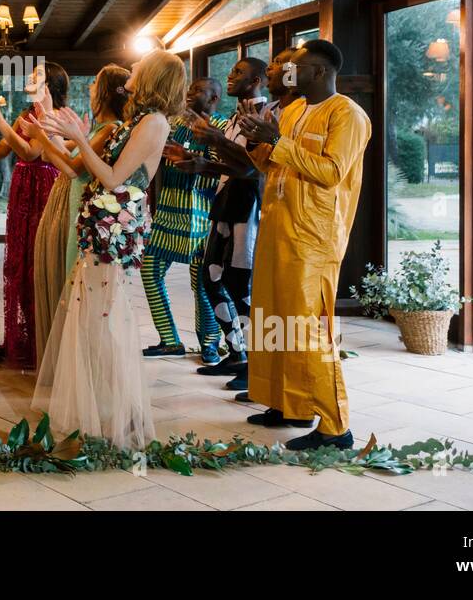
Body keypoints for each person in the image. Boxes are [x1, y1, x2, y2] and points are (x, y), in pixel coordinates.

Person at [32, 49, 186, 448]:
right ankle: (101, 409)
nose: (130, 69)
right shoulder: (136, 121)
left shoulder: (154, 123)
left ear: (151, 76)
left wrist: (80, 137)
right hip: (100, 224)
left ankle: (121, 413)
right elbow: (74, 169)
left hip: (115, 230)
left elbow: (117, 180)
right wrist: (59, 126)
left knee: (105, 317)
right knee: (92, 317)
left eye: (138, 66)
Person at [236, 40, 371, 450]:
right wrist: (257, 141)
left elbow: (331, 172)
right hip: (277, 226)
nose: (287, 74)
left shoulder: (347, 114)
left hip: (314, 237)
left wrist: (276, 142)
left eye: (294, 67)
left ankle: (335, 426)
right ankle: (288, 404)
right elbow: (272, 164)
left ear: (318, 71)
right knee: (273, 318)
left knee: (309, 327)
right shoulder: (292, 110)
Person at [0, 62, 67, 368]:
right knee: (20, 266)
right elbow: (0, 151)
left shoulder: (55, 117)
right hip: (22, 195)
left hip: (44, 190)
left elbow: (31, 152)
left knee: (37, 265)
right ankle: (26, 339)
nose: (31, 77)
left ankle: (43, 342)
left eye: (38, 75)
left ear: (52, 84)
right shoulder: (25, 116)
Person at [27, 65, 129, 368]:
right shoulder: (99, 129)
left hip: (82, 208)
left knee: (75, 287)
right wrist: (47, 123)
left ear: (107, 92)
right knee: (65, 282)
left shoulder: (111, 129)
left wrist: (43, 128)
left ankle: (79, 366)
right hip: (75, 201)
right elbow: (57, 154)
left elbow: (71, 167)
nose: (90, 87)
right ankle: (65, 364)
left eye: (95, 82)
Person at [179, 58, 268, 387]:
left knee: (237, 284)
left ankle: (252, 365)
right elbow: (234, 167)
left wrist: (215, 141)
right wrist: (201, 164)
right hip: (225, 203)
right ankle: (236, 351)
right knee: (211, 277)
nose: (229, 76)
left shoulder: (262, 116)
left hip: (247, 208)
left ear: (256, 80)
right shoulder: (234, 117)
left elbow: (252, 170)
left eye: (238, 73)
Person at [142, 78, 228, 359]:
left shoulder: (220, 128)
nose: (190, 94)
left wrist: (190, 158)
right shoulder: (174, 123)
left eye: (198, 91)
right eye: (189, 89)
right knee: (150, 270)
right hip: (167, 211)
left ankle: (210, 343)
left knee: (201, 284)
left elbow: (222, 170)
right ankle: (169, 339)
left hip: (200, 217)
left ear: (214, 99)